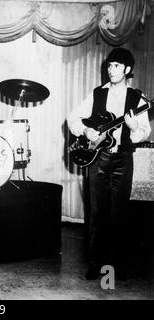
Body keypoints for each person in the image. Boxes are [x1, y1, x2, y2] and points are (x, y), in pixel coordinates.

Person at [68, 48, 151, 281]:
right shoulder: (97, 94)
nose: (111, 70)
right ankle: (95, 264)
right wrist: (86, 130)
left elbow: (145, 132)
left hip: (124, 159)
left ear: (127, 70)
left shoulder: (137, 98)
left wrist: (134, 128)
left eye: (116, 66)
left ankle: (115, 267)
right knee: (97, 213)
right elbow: (72, 117)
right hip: (99, 159)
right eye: (109, 65)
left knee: (120, 213)